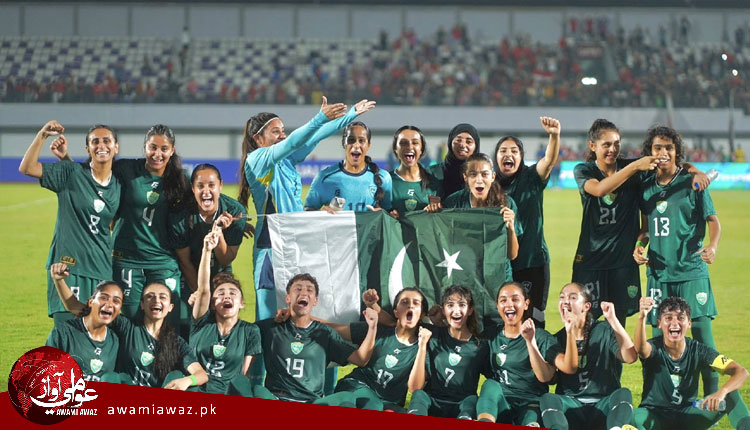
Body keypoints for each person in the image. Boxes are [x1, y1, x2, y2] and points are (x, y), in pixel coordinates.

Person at [238, 97, 374, 387]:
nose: (282, 135)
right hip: (270, 253)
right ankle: (256, 390)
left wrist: (349, 115)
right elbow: (299, 137)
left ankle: (320, 387)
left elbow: (315, 135)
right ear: (258, 138)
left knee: (314, 318)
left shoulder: (287, 162)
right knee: (268, 326)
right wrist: (319, 117)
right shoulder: (257, 160)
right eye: (275, 131)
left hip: (298, 248)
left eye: (283, 130)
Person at [573, 119, 709, 325]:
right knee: (583, 321)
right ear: (592, 145)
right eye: (607, 144)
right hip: (591, 259)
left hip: (622, 262)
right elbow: (600, 190)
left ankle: (614, 350)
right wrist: (636, 166)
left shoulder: (634, 170)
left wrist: (695, 171)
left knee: (617, 324)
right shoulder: (584, 170)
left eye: (617, 144)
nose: (613, 149)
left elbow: (672, 164)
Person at [51, 124, 188, 324]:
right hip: (126, 259)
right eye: (152, 147)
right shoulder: (126, 169)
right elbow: (89, 177)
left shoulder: (180, 180)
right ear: (145, 147)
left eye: (164, 149)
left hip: (162, 261)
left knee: (167, 321)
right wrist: (65, 158)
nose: (157, 154)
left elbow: (203, 201)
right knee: (133, 320)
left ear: (172, 150)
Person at [634, 125, 721, 396]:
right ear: (650, 151)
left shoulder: (693, 183)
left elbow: (713, 221)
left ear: (676, 152)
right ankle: (655, 399)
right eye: (658, 147)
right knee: (657, 344)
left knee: (704, 340)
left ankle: (712, 398)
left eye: (669, 148)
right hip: (659, 275)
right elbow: (646, 229)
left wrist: (713, 245)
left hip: (691, 273)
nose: (663, 152)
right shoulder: (645, 187)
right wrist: (639, 247)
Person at [19, 121, 121, 326]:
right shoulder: (70, 172)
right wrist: (42, 135)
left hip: (102, 270)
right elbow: (27, 168)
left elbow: (109, 221)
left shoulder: (118, 185)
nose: (101, 146)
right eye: (95, 142)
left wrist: (66, 158)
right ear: (87, 149)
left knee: (98, 335)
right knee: (68, 333)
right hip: (68, 269)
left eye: (106, 141)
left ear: (116, 147)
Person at [51, 264, 208, 389]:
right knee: (111, 378)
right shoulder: (127, 327)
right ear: (142, 305)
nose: (156, 300)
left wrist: (187, 381)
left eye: (162, 297)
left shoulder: (176, 342)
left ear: (170, 307)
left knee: (177, 376)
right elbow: (77, 308)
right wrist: (59, 281)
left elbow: (201, 374)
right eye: (150, 297)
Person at [232, 273, 378, 403]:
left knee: (346, 398)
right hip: (277, 398)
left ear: (315, 301)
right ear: (288, 298)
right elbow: (237, 333)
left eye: (309, 290)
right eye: (298, 289)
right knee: (257, 390)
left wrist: (372, 327)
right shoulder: (271, 327)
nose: (304, 292)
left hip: (311, 401)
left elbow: (361, 359)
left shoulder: (324, 333)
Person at [282, 287, 426, 410]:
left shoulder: (427, 340)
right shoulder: (379, 329)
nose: (410, 306)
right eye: (404, 302)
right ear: (395, 312)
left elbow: (415, 387)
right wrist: (301, 317)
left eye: (416, 303)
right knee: (372, 404)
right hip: (356, 386)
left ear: (422, 314)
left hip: (389, 402)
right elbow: (334, 329)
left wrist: (427, 338)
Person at [633, 296, 750, 430]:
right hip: (654, 416)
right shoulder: (654, 347)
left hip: (687, 417)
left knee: (730, 395)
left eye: (681, 318)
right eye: (668, 318)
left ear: (689, 323)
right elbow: (641, 348)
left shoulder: (699, 350)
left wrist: (722, 391)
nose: (675, 323)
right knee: (633, 415)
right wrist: (642, 317)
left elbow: (741, 372)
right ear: (659, 323)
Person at [539, 283, 639, 430]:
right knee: (548, 398)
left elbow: (630, 357)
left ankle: (616, 428)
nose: (565, 301)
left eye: (572, 297)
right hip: (571, 406)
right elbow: (550, 378)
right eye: (562, 297)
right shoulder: (556, 339)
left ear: (586, 306)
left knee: (623, 394)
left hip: (603, 406)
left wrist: (612, 320)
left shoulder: (604, 330)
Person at [476, 282, 575, 425]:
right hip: (502, 403)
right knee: (490, 385)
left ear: (526, 304)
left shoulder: (541, 337)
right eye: (503, 300)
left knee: (531, 417)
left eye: (515, 299)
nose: (509, 305)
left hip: (531, 404)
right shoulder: (491, 336)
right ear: (497, 306)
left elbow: (547, 377)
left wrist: (530, 341)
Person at [494, 116, 560, 329]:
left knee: (535, 318)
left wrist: (554, 136)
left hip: (533, 260)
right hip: (503, 265)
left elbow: (548, 161)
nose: (508, 154)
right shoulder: (490, 185)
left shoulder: (531, 178)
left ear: (521, 157)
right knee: (506, 319)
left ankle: (537, 351)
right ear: (496, 157)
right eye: (503, 150)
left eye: (514, 151)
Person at [169, 163, 246, 335]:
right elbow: (185, 261)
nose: (206, 191)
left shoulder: (235, 211)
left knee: (221, 323)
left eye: (211, 185)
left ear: (220, 186)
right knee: (188, 323)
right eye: (200, 186)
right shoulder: (180, 215)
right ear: (193, 188)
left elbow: (226, 259)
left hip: (220, 271)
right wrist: (202, 294)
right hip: (190, 273)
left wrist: (218, 232)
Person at [428, 153, 520, 286]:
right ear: (465, 177)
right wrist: (431, 214)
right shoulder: (454, 203)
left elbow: (512, 255)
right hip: (464, 278)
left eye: (484, 174)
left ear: (493, 176)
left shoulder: (506, 204)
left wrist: (510, 228)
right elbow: (439, 241)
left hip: (498, 279)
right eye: (473, 174)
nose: (479, 180)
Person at [189, 229, 260, 394]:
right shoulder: (202, 323)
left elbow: (243, 375)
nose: (227, 296)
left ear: (241, 303)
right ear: (213, 304)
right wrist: (207, 250)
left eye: (233, 293)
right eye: (220, 293)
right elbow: (203, 290)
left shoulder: (250, 331)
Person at [407, 285, 489, 419]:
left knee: (472, 400)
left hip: (461, 405)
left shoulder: (480, 346)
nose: (456, 311)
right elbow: (399, 322)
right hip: (433, 401)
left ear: (470, 310)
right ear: (443, 310)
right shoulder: (432, 335)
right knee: (419, 395)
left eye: (462, 305)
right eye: (450, 305)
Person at [47, 263, 122, 382]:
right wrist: (58, 280)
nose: (109, 304)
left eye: (116, 301)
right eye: (104, 298)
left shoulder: (115, 341)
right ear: (91, 302)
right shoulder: (64, 333)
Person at [305, 121, 392, 212]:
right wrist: (321, 213)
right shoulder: (324, 177)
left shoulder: (383, 178)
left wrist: (385, 213)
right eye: (351, 140)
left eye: (361, 141)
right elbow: (307, 211)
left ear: (368, 145)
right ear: (343, 143)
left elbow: (390, 214)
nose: (356, 145)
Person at [388, 125, 442, 216]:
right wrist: (388, 215)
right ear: (395, 149)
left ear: (421, 149)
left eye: (415, 143)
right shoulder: (386, 181)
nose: (409, 147)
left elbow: (440, 218)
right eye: (403, 143)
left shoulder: (434, 184)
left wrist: (435, 210)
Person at [429, 123, 480, 198]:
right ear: (450, 143)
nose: (462, 145)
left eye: (469, 142)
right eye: (458, 140)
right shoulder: (432, 173)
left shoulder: (482, 176)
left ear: (476, 146)